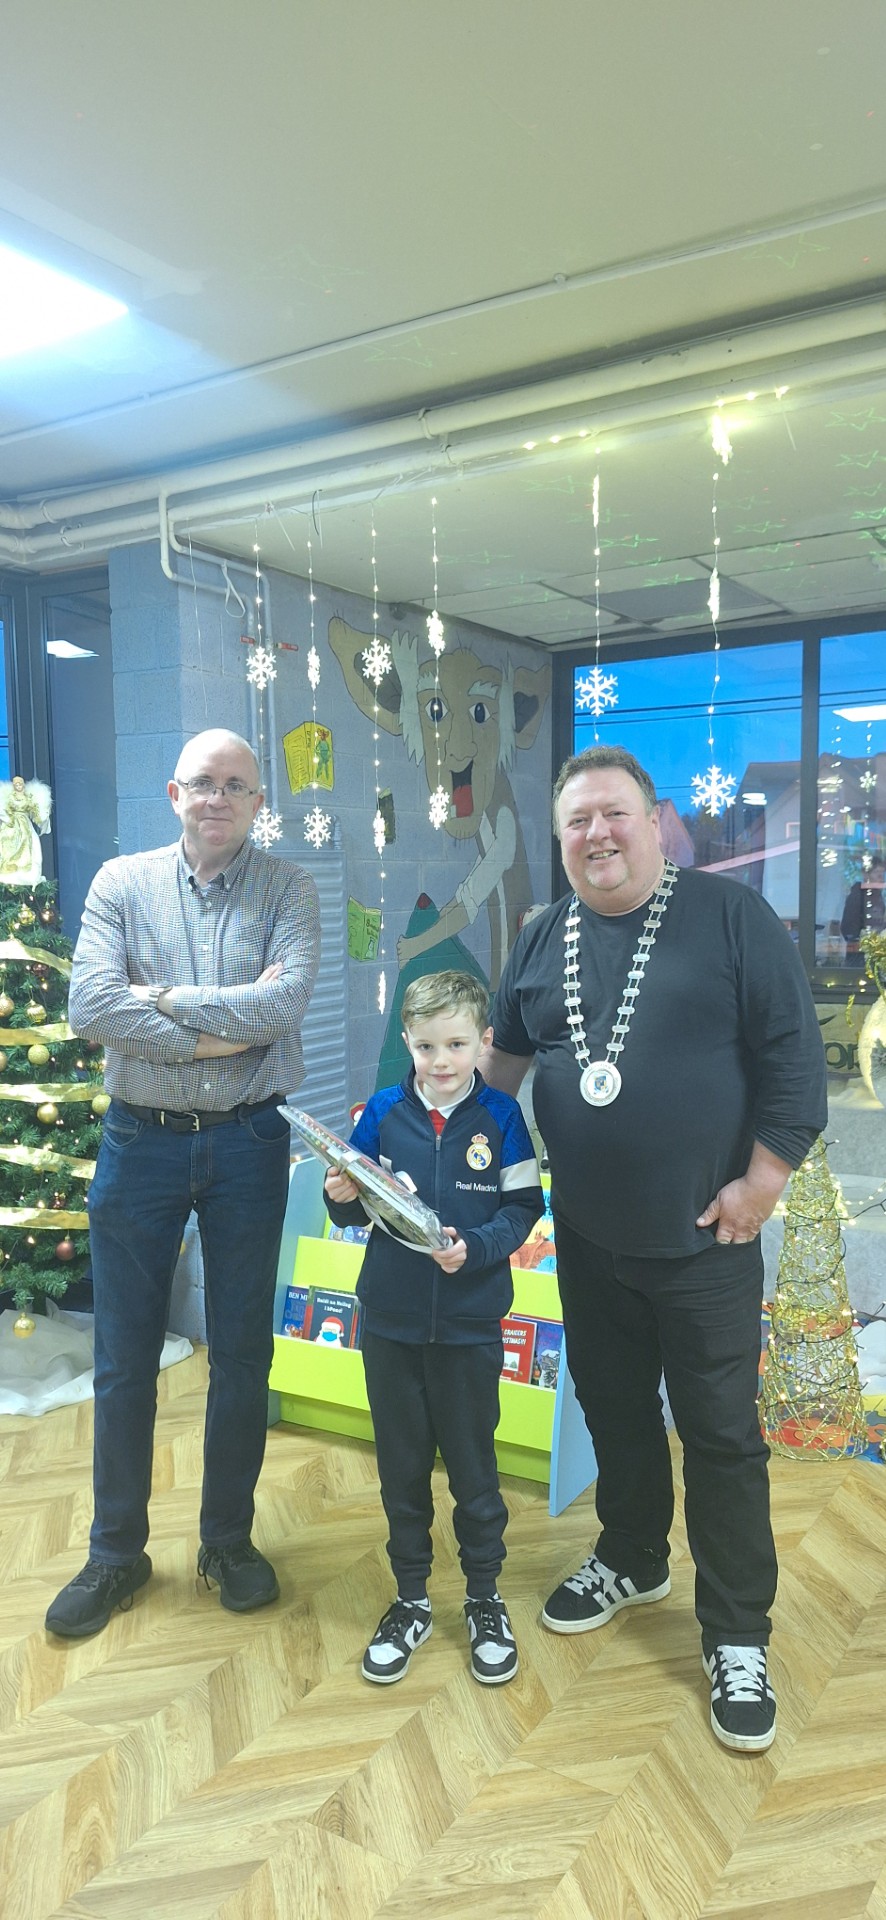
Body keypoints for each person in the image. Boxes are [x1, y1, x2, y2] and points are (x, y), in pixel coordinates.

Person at [480, 745, 827, 1753]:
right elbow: (500, 1069)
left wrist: (760, 1185)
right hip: (588, 1237)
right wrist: (433, 1140)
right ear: (560, 838)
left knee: (720, 1438)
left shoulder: (731, 918)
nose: (596, 833)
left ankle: (737, 1634)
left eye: (614, 813)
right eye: (577, 820)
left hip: (706, 1237)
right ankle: (633, 1558)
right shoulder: (540, 936)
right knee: (615, 1411)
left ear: (654, 818)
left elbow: (793, 1059)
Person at [45, 729, 321, 1638]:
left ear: (258, 803)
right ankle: (114, 1554)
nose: (218, 798)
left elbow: (284, 1005)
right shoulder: (120, 884)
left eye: (237, 785)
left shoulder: (289, 888)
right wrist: (220, 1035)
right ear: (174, 794)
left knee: (241, 1354)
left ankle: (227, 1542)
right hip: (140, 1144)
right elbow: (90, 1005)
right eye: (204, 782)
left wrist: (157, 1001)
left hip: (249, 1142)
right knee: (124, 1355)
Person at [324, 970, 543, 1687]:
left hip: (470, 1326)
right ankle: (411, 1598)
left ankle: (484, 1597)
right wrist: (338, 1195)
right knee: (402, 1468)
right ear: (407, 1042)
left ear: (484, 1042)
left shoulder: (503, 1117)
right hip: (389, 1324)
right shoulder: (383, 1113)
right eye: (425, 1046)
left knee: (475, 1471)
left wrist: (474, 1249)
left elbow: (523, 1211)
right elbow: (353, 1208)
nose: (440, 1061)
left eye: (455, 1045)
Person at [840, 857, 886, 954]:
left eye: (882, 873)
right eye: (876, 872)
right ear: (866, 875)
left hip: (876, 951)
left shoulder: (878, 897)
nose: (881, 877)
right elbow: (848, 928)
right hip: (860, 954)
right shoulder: (858, 896)